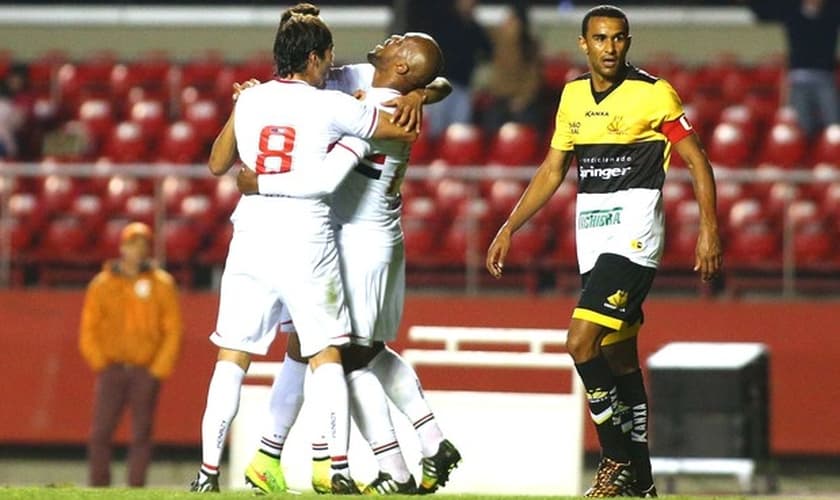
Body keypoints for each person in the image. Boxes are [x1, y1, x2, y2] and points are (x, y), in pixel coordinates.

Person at [485, 5, 722, 498]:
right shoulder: (572, 96)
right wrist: (510, 225)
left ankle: (614, 458)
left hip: (634, 237)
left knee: (579, 342)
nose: (610, 47)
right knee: (618, 360)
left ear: (627, 42)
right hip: (590, 236)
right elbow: (553, 169)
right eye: (600, 38)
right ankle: (644, 482)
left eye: (618, 38)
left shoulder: (653, 93)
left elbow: (697, 161)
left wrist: (709, 229)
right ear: (583, 44)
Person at [188, 13, 418, 494]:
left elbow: (216, 164)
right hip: (306, 238)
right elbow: (399, 129)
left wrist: (242, 110)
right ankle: (335, 466)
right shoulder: (331, 104)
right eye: (327, 56)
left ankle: (207, 473)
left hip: (250, 235)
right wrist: (402, 105)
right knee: (326, 353)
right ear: (314, 58)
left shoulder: (249, 98)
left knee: (231, 359)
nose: (331, 65)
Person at [237, 31, 462, 495]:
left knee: (347, 359)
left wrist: (261, 181)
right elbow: (434, 81)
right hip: (371, 238)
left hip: (359, 241)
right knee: (365, 351)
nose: (391, 38)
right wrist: (421, 91)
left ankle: (395, 471)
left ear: (400, 67)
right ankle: (431, 441)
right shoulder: (369, 84)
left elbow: (325, 163)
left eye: (400, 42)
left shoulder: (379, 109)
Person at [78, 221, 183, 488]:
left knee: (141, 434)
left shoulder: (161, 284)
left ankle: (136, 487)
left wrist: (158, 369)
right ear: (122, 247)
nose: (136, 250)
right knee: (100, 433)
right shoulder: (103, 284)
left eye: (142, 244)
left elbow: (173, 330)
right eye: (132, 244)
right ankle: (98, 487)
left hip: (144, 369)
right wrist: (100, 362)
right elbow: (88, 328)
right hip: (112, 367)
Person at [744, 0, 839, 139]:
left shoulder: (833, 11)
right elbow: (760, 10)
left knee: (834, 124)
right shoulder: (790, 10)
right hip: (798, 77)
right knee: (801, 126)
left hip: (824, 76)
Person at [408, 0, 492, 139]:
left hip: (463, 86)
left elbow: (488, 52)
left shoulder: (474, 28)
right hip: (439, 84)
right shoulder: (442, 23)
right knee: (435, 129)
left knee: (459, 131)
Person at [479, 1, 544, 134]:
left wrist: (522, 99)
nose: (507, 23)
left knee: (526, 125)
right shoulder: (498, 40)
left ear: (520, 23)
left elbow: (533, 78)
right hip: (500, 98)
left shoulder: (530, 46)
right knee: (489, 124)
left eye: (511, 20)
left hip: (522, 100)